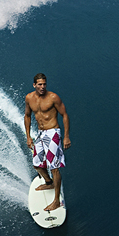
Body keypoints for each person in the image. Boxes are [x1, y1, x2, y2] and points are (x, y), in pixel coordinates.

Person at [24, 72, 71, 212]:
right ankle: (49, 182)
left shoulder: (53, 97)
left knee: (54, 168)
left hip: (52, 133)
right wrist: (28, 136)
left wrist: (66, 136)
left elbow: (65, 115)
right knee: (37, 164)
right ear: (34, 85)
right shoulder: (29, 98)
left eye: (44, 84)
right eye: (40, 84)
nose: (43, 87)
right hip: (40, 133)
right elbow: (27, 116)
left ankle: (56, 201)